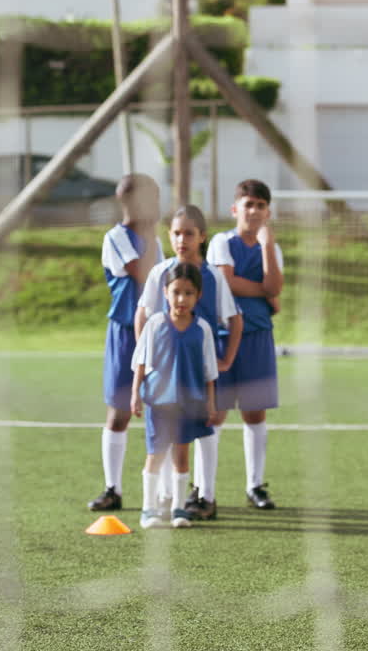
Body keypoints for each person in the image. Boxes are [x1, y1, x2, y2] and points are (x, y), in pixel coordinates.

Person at [134, 205, 241, 521]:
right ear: (169, 235)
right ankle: (166, 496)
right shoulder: (160, 272)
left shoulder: (214, 277)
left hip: (199, 369)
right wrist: (147, 355)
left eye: (189, 233)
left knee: (206, 429)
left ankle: (205, 496)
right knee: (167, 432)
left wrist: (227, 359)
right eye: (177, 233)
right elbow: (144, 313)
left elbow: (235, 320)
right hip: (165, 372)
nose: (182, 239)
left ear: (202, 236)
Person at [88, 173, 163, 512]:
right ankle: (112, 488)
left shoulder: (157, 240)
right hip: (124, 332)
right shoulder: (117, 237)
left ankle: (163, 491)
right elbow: (145, 272)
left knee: (162, 407)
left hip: (158, 331)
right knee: (119, 411)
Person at [207, 179, 283, 511]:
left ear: (268, 212)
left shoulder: (272, 247)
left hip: (258, 335)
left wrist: (267, 248)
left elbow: (276, 284)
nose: (253, 211)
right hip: (223, 336)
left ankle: (255, 485)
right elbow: (226, 282)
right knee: (215, 413)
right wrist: (265, 292)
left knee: (255, 412)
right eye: (248, 204)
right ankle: (203, 489)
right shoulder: (221, 242)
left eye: (260, 206)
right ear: (235, 208)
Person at [130, 262, 221, 529]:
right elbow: (142, 362)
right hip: (159, 403)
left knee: (181, 457)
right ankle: (149, 509)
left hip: (190, 404)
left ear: (198, 296)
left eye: (189, 293)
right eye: (176, 292)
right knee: (156, 454)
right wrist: (136, 394)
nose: (182, 299)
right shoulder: (156, 324)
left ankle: (179, 509)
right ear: (165, 292)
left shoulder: (202, 329)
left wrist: (211, 404)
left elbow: (209, 371)